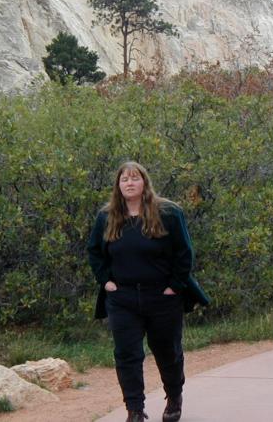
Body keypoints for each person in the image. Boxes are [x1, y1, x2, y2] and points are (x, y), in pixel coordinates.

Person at [87, 161, 208, 422]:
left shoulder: (168, 213)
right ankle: (135, 410)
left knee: (168, 351)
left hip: (162, 298)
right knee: (127, 354)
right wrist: (105, 281)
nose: (129, 183)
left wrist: (174, 286)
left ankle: (174, 396)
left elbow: (184, 253)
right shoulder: (107, 216)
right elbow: (95, 251)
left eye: (134, 178)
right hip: (122, 298)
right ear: (118, 186)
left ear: (144, 182)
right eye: (124, 179)